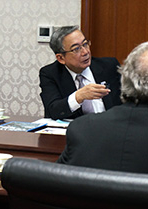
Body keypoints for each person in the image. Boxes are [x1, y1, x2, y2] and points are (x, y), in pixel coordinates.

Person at [57, 41, 148, 174]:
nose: (85, 51)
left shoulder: (83, 128)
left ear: (125, 77)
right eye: (76, 48)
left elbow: (56, 180)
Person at [39, 26, 122, 120]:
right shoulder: (50, 74)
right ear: (61, 58)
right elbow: (53, 111)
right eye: (76, 49)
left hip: (109, 129)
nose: (85, 52)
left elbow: (127, 102)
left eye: (85, 44)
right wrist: (78, 97)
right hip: (73, 133)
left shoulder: (109, 66)